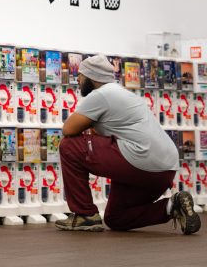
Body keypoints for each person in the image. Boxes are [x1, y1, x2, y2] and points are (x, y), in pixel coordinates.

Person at [56, 54, 200, 234]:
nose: (77, 79)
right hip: (165, 169)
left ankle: (85, 215)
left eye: (80, 75)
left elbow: (68, 129)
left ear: (92, 77)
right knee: (116, 217)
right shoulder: (123, 93)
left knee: (69, 146)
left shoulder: (101, 94)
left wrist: (90, 126)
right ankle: (172, 206)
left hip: (140, 159)